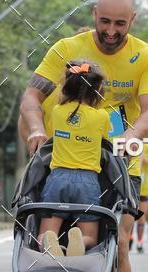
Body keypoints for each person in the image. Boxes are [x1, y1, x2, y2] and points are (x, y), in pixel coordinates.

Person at [19, 0, 148, 272]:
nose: (111, 31)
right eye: (106, 22)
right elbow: (31, 97)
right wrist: (36, 129)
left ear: (132, 21)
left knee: (120, 244)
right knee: (39, 229)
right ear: (95, 15)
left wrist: (130, 135)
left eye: (120, 24)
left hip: (119, 166)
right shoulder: (66, 49)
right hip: (65, 160)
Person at [38, 61, 109, 257]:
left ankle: (50, 242)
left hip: (57, 179)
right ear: (98, 89)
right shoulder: (101, 116)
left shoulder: (57, 112)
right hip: (87, 182)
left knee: (45, 233)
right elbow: (105, 141)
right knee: (91, 237)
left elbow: (53, 134)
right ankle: (76, 240)